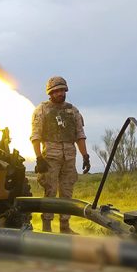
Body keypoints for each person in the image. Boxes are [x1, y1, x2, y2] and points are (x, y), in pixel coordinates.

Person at [30, 76, 90, 234]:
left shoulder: (72, 111)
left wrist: (85, 156)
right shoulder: (42, 110)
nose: (60, 93)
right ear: (50, 93)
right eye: (56, 91)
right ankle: (47, 228)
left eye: (62, 90)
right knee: (50, 190)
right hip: (50, 156)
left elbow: (80, 135)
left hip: (69, 156)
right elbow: (35, 136)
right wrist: (38, 158)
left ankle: (65, 227)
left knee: (67, 191)